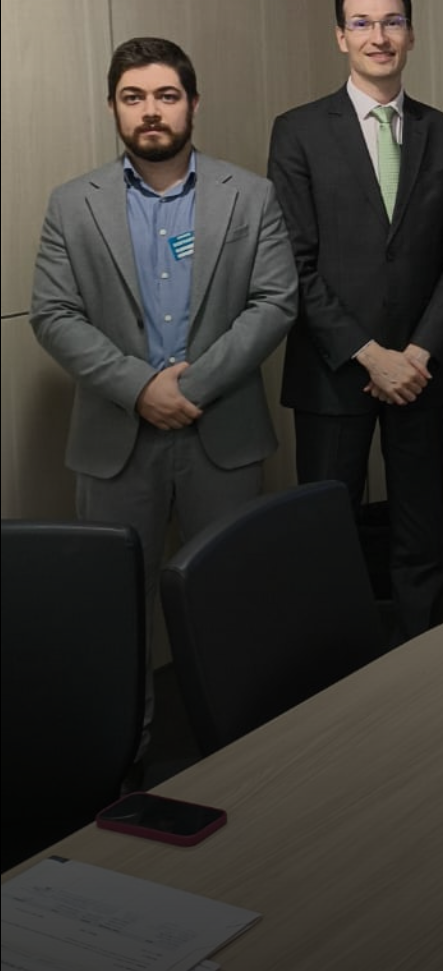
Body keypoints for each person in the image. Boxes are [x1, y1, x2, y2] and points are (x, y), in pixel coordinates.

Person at [30, 36, 298, 735]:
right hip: (115, 440)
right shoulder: (72, 204)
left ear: (193, 104)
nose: (151, 110)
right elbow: (53, 314)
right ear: (114, 108)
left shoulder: (251, 195)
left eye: (166, 95)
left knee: (229, 595)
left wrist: (191, 387)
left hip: (223, 434)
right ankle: (126, 752)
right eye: (134, 97)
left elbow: (275, 302)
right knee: (115, 609)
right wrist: (140, 388)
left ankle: (238, 745)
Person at [269, 0, 443, 639]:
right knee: (323, 524)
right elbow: (294, 261)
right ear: (341, 37)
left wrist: (415, 353)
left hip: (420, 368)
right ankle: (329, 657)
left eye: (392, 22)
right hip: (334, 365)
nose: (378, 36)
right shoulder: (298, 132)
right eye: (361, 23)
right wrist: (369, 354)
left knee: (420, 524)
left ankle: (420, 652)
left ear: (411, 34)